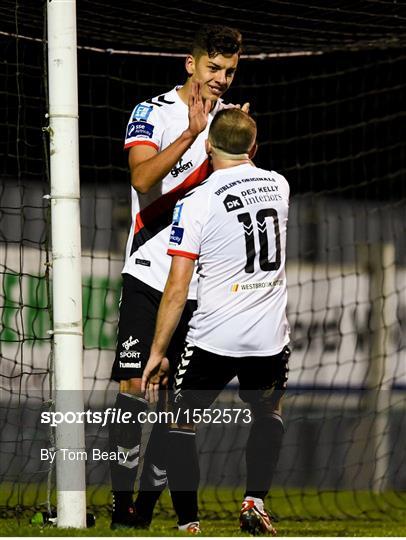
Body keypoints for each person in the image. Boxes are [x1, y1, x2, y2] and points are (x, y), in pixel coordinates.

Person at [109, 25, 248, 530]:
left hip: (197, 285)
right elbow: (142, 179)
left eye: (230, 71)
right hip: (148, 273)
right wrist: (192, 136)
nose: (222, 79)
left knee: (175, 408)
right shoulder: (152, 113)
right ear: (190, 65)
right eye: (214, 68)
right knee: (132, 388)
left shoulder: (231, 125)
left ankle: (143, 514)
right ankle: (121, 506)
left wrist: (240, 157)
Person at [142, 108, 291, 535]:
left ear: (207, 146)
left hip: (214, 336)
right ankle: (254, 501)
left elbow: (176, 287)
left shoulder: (196, 202)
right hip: (267, 337)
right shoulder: (279, 185)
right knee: (268, 411)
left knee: (180, 422)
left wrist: (157, 352)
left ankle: (189, 523)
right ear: (255, 147)